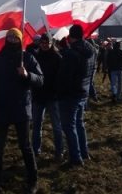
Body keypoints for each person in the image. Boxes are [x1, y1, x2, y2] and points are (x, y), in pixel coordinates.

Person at [0, 28, 43, 194]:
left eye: (16, 37)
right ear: (5, 39)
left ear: (20, 40)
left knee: (25, 146)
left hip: (21, 108)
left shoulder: (27, 58)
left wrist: (28, 74)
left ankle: (33, 180)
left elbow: (40, 80)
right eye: (10, 37)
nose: (12, 39)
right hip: (0, 108)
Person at [56, 24, 94, 166]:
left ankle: (75, 158)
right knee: (79, 124)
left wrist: (59, 93)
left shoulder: (71, 54)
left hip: (70, 94)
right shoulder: (90, 49)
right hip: (82, 92)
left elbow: (65, 77)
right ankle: (84, 153)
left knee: (69, 126)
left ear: (71, 37)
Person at [32, 33, 64, 160]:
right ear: (40, 43)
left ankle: (59, 150)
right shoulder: (35, 57)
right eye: (43, 43)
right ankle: (35, 149)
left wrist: (57, 91)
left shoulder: (57, 57)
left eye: (47, 43)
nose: (45, 45)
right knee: (36, 125)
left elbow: (61, 77)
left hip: (53, 96)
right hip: (38, 96)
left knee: (56, 125)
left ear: (51, 44)